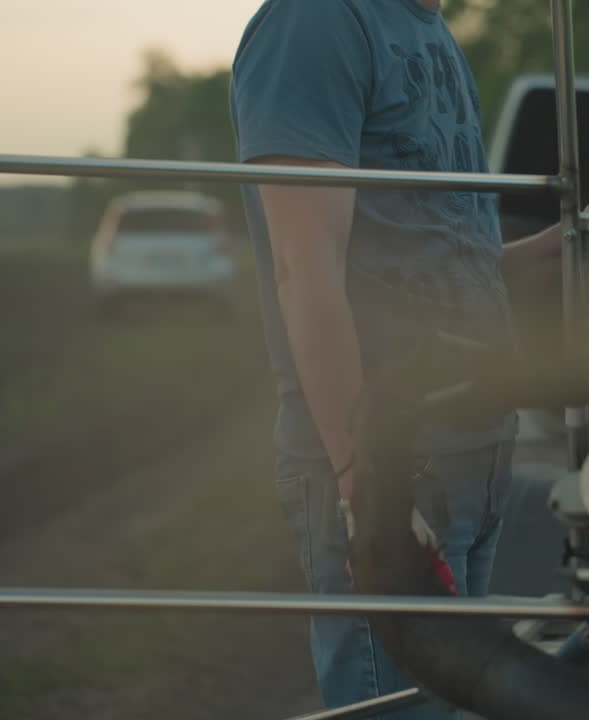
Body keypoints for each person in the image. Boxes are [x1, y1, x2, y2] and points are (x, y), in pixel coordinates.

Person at [229, 0, 563, 717]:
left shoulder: (426, 27)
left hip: (475, 446)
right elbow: (304, 266)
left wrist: (567, 247)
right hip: (392, 460)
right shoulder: (316, 24)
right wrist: (364, 486)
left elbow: (436, 257)